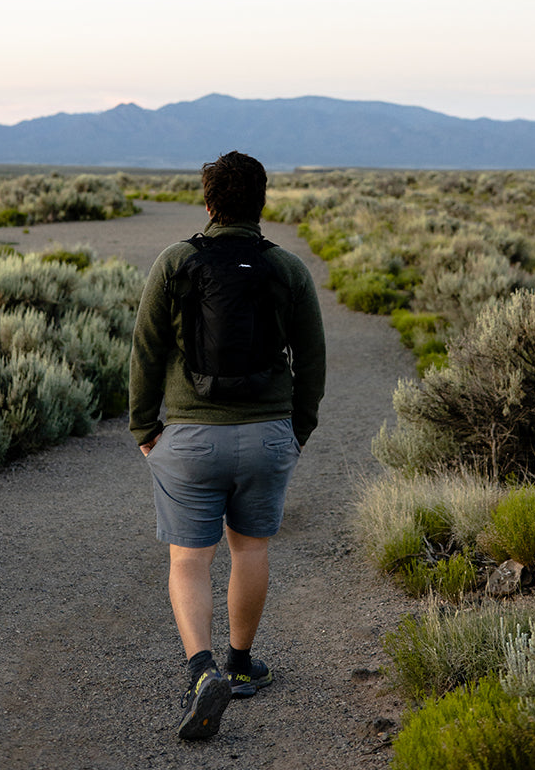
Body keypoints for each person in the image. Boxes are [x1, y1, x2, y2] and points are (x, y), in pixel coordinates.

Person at [129, 151, 326, 741]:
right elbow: (312, 361)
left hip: (189, 437)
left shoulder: (175, 262)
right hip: (267, 435)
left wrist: (145, 430)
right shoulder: (287, 269)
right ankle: (241, 665)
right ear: (261, 203)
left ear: (208, 202)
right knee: (250, 551)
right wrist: (298, 431)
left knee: (190, 559)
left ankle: (201, 671)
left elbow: (146, 351)